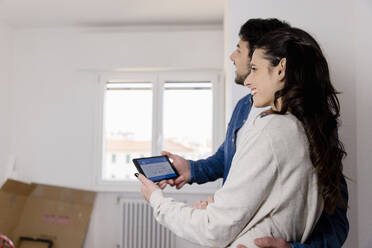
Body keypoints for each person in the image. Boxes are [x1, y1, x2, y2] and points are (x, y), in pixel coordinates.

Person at [137, 26, 347, 248]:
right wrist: (207, 189)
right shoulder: (304, 126)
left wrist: (157, 200)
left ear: (281, 68)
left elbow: (214, 229)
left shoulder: (271, 129)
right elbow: (253, 188)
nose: (248, 81)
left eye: (255, 68)